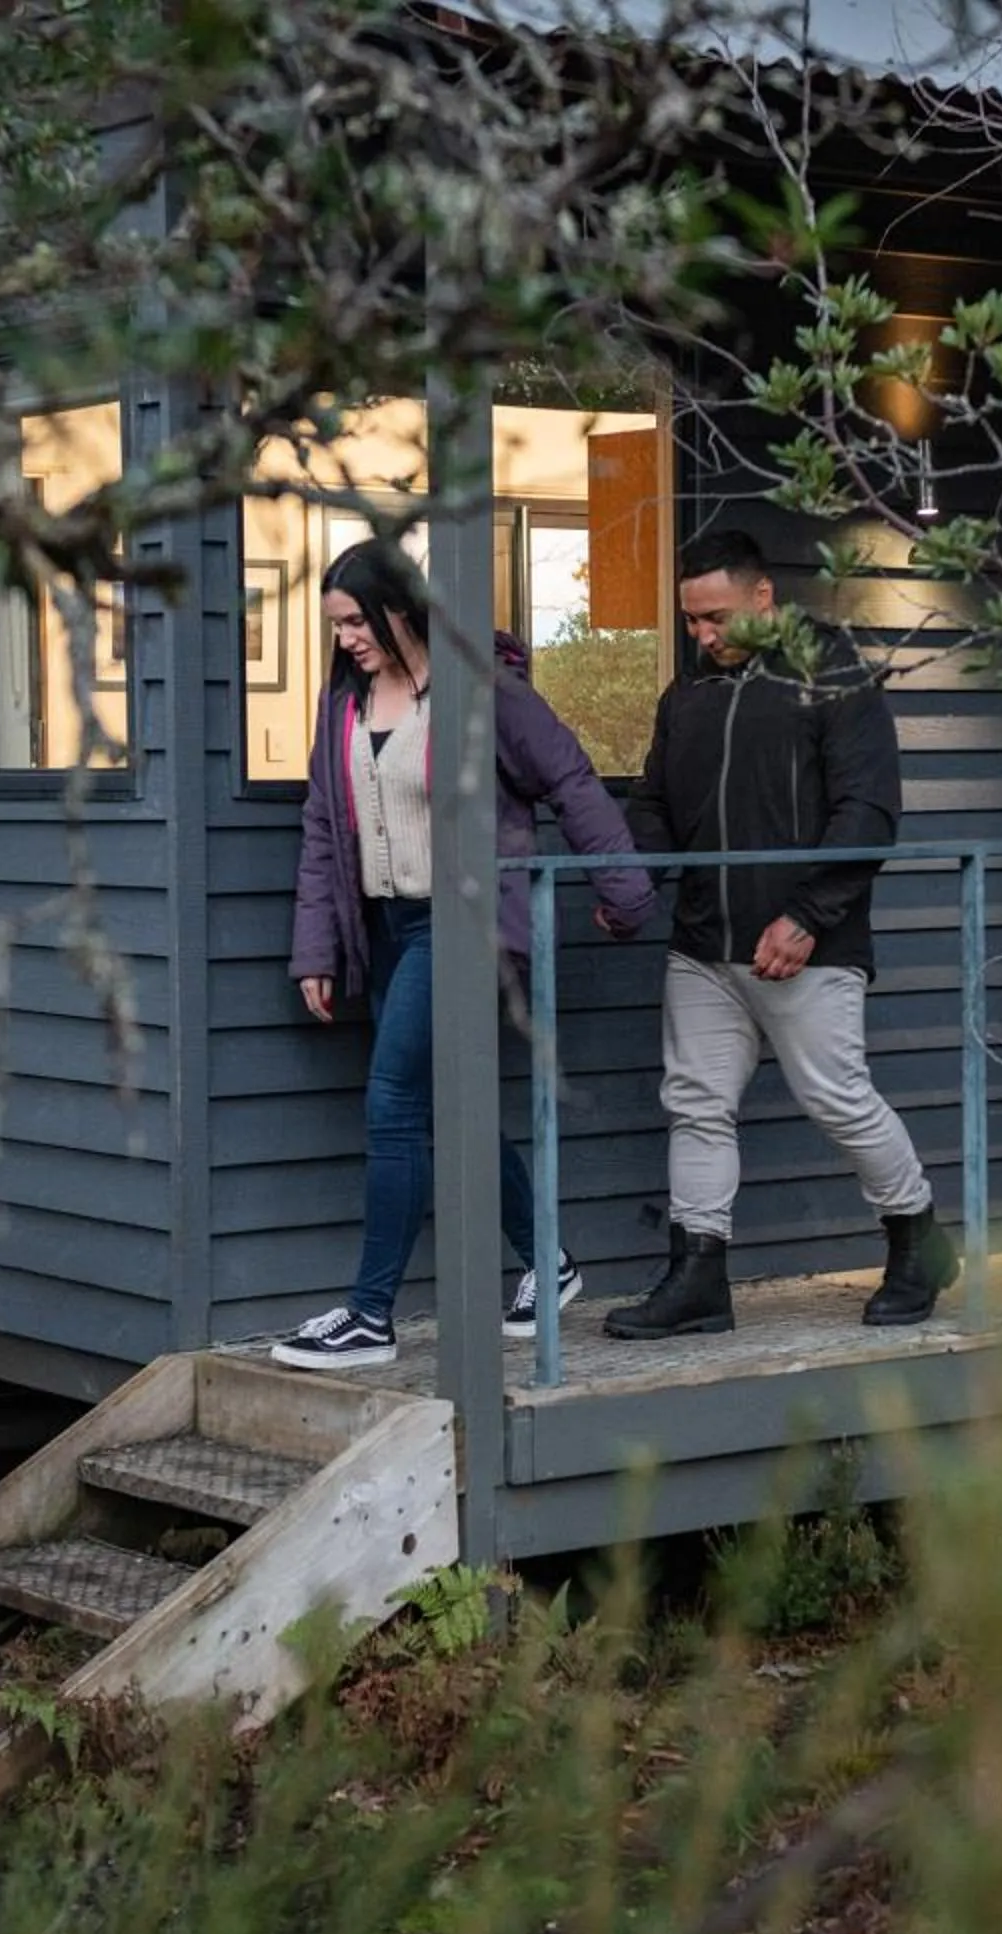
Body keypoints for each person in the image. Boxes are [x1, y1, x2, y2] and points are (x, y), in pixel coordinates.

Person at [274, 539, 657, 1372]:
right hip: (386, 927)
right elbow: (320, 823)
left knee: (393, 1102)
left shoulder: (483, 692)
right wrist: (317, 948)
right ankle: (548, 1261)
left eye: (353, 622)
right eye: (334, 626)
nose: (344, 639)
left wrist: (625, 890)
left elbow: (572, 779)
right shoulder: (346, 697)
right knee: (447, 1106)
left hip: (464, 926)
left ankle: (370, 1314)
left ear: (398, 610)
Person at [601, 526, 961, 1340]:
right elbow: (654, 804)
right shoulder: (686, 697)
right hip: (702, 945)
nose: (703, 635)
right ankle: (698, 1275)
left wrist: (806, 916)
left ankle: (919, 1242)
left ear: (764, 597)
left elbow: (868, 811)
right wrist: (634, 881)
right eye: (692, 621)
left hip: (808, 944)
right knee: (695, 1105)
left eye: (718, 617)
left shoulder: (833, 677)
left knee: (837, 1097)